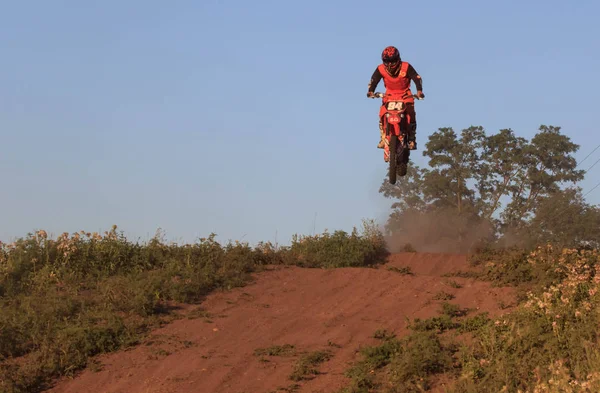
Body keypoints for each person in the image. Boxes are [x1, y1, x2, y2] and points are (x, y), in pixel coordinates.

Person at [367, 46, 424, 150]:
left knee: (411, 112)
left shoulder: (406, 67)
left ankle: (412, 138)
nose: (389, 64)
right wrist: (371, 91)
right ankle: (383, 137)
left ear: (397, 59)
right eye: (387, 61)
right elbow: (374, 80)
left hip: (405, 95)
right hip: (389, 95)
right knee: (382, 112)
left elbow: (417, 78)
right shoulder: (380, 69)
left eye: (392, 61)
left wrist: (419, 91)